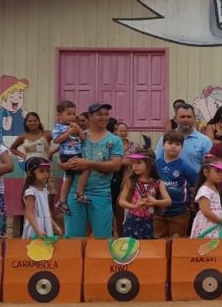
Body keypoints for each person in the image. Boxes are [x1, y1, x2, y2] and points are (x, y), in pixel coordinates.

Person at [61, 103, 124, 239]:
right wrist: (67, 165)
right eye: (99, 114)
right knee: (73, 238)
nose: (104, 118)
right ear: (90, 116)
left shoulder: (114, 140)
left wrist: (88, 163)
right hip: (75, 193)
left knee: (102, 238)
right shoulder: (77, 136)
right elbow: (62, 161)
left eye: (106, 114)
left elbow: (115, 165)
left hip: (100, 193)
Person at [155, 131, 199, 238]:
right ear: (163, 145)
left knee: (177, 244)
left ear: (182, 147)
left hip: (179, 212)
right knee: (159, 244)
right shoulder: (155, 164)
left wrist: (192, 202)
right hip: (158, 212)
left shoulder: (185, 166)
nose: (173, 147)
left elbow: (197, 184)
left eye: (177, 144)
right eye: (170, 143)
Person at [118, 152, 170, 239]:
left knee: (147, 247)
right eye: (133, 163)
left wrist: (155, 202)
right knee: (132, 248)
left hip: (149, 221)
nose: (135, 166)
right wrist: (134, 206)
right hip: (132, 220)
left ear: (149, 164)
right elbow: (121, 201)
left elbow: (168, 201)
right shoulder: (130, 181)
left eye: (138, 163)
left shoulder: (158, 182)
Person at [52, 101, 87, 213]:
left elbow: (83, 139)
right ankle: (79, 193)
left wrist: (78, 130)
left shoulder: (75, 126)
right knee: (86, 168)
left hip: (77, 152)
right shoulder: (58, 127)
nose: (72, 117)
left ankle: (62, 201)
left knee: (68, 178)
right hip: (67, 154)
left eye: (73, 114)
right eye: (68, 114)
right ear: (59, 115)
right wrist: (69, 132)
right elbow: (56, 140)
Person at [155, 103, 212, 170]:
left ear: (194, 118)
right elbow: (158, 162)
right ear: (175, 119)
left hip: (195, 180)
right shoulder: (165, 139)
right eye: (182, 117)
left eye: (189, 117)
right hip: (169, 180)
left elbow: (208, 166)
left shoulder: (205, 141)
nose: (186, 120)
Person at [190, 159, 222, 238]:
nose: (221, 174)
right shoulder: (204, 190)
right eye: (217, 171)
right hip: (208, 225)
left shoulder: (215, 188)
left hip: (216, 223)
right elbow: (206, 211)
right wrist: (221, 220)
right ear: (206, 172)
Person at [21, 158, 59, 239]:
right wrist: (38, 231)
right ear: (31, 174)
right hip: (35, 228)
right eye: (41, 171)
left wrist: (55, 225)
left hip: (45, 227)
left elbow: (46, 213)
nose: (45, 174)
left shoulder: (45, 191)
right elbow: (29, 213)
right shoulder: (30, 192)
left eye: (47, 171)